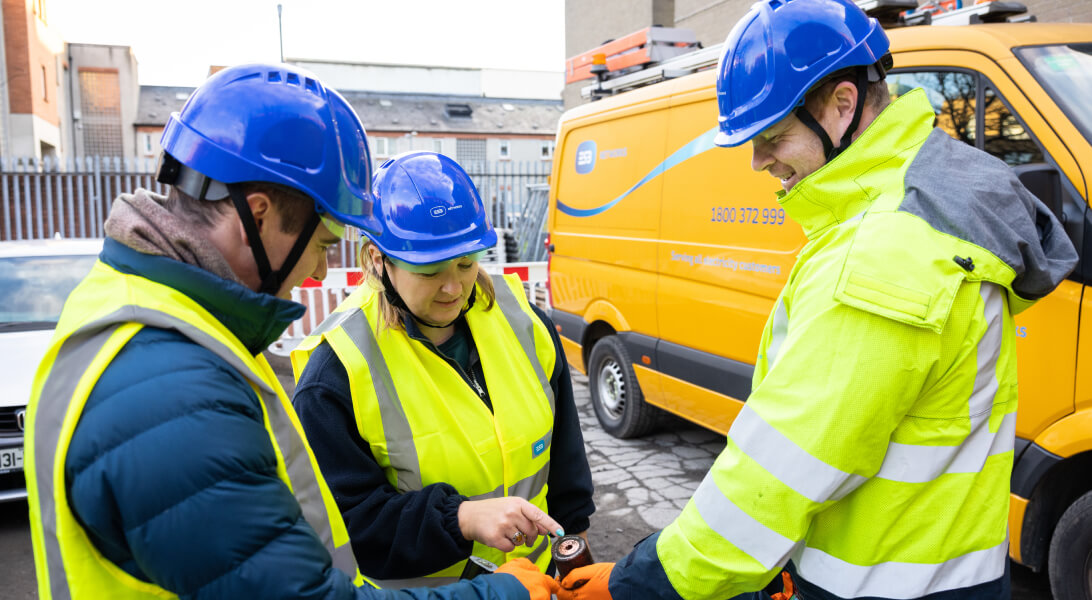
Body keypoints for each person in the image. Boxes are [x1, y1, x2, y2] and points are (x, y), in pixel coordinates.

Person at [532, 0, 1080, 599]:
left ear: (843, 105)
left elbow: (781, 470)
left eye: (773, 136)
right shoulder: (935, 201)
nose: (757, 161)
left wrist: (639, 582)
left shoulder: (886, 249)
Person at [24, 62, 556, 600]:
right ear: (257, 217)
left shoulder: (154, 317)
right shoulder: (172, 392)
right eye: (323, 244)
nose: (322, 271)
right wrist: (503, 595)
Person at [290, 149, 596, 587]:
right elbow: (348, 524)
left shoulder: (524, 322)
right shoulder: (335, 371)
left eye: (466, 263)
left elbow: (564, 454)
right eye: (429, 271)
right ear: (377, 259)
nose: (453, 287)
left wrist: (575, 548)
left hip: (535, 584)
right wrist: (462, 518)